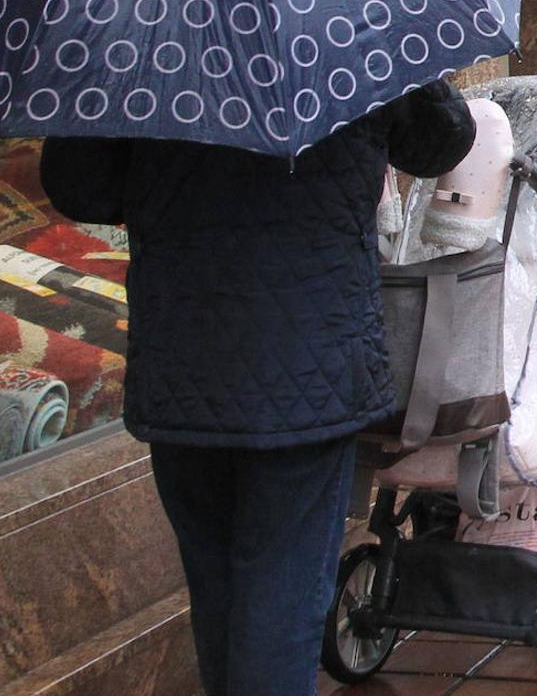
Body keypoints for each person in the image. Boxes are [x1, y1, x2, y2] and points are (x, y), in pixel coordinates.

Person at [39, 81, 476, 695]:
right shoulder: (346, 22)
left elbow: (80, 186)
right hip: (311, 365)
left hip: (187, 361)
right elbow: (440, 143)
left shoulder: (143, 42)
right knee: (284, 597)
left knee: (218, 589)